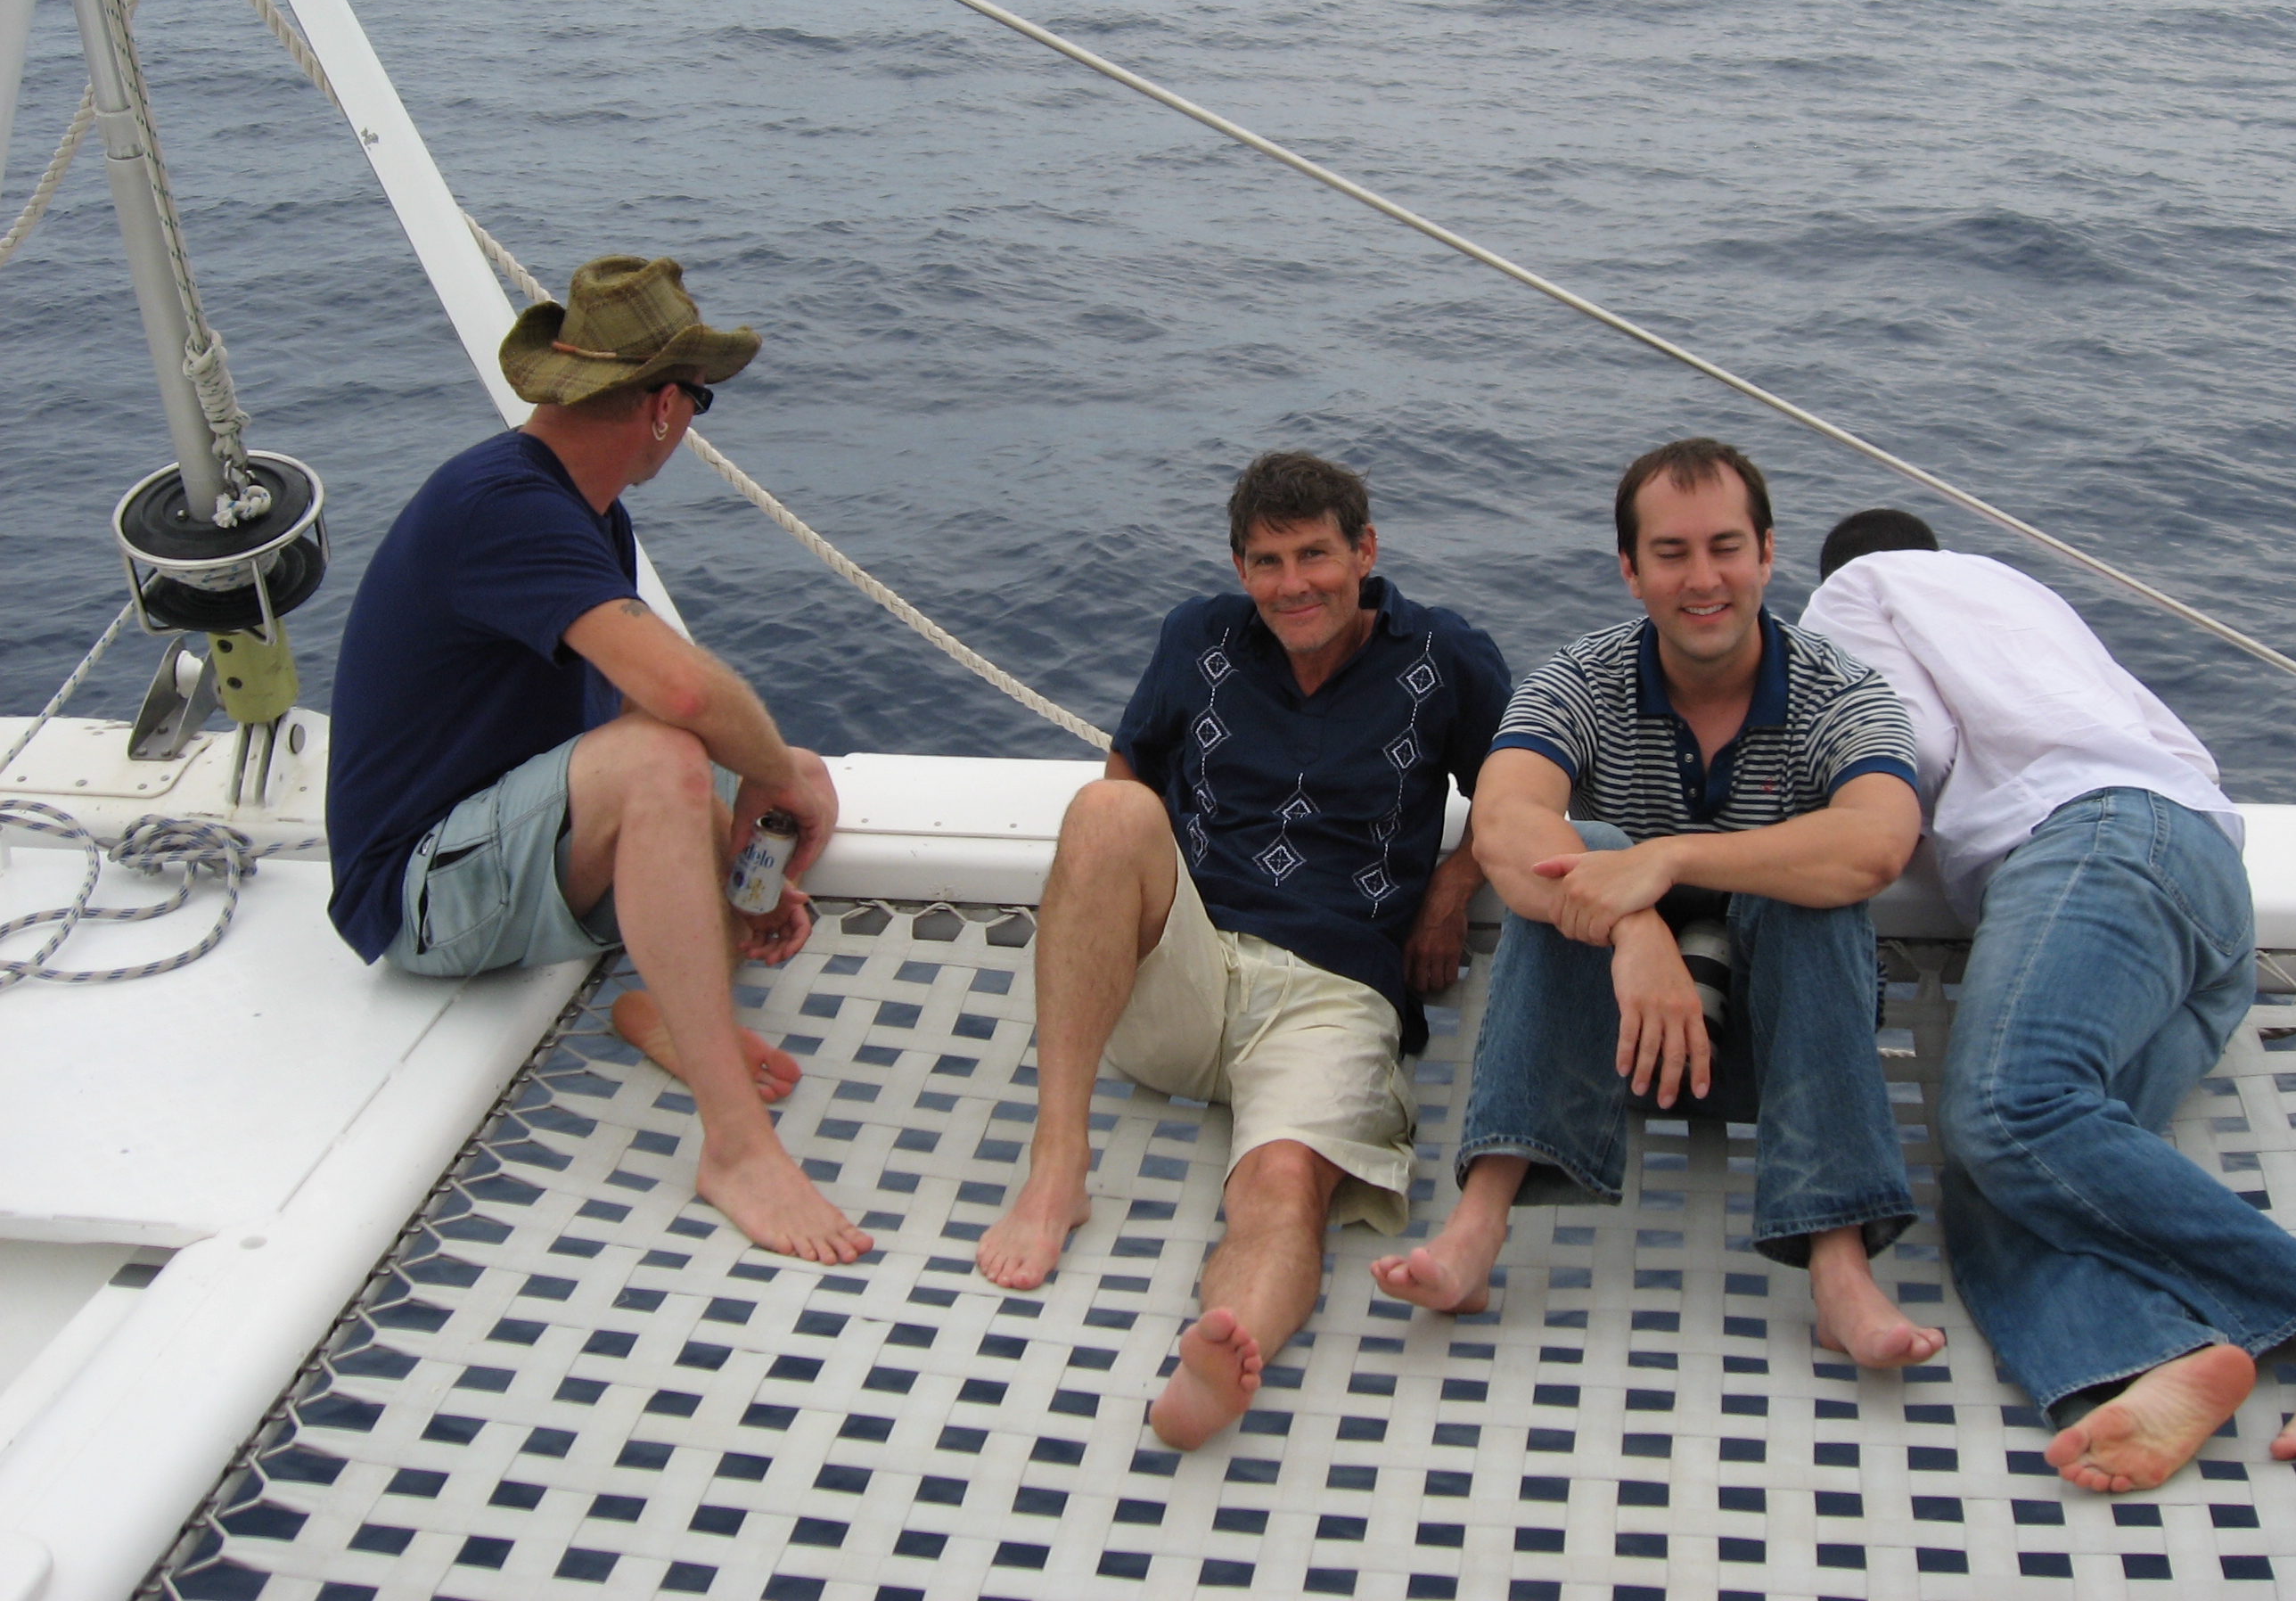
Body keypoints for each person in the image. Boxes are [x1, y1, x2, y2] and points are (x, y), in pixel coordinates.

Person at [1800, 508, 2296, 1490]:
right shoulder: (2026, 598)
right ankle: (2151, 1359)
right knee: (2004, 1175)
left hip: (2095, 846)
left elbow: (1901, 749)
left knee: (2008, 1108)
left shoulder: (1858, 589)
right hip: (2204, 886)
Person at [326, 255, 862, 1265]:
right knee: (684, 762)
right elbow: (682, 698)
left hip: (507, 842)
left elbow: (626, 700)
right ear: (662, 407)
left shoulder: (583, 511)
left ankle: (671, 997)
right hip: (418, 893)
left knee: (785, 771)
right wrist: (763, 780)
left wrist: (743, 843)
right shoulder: (501, 507)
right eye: (696, 400)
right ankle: (736, 1148)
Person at [976, 452, 1509, 1449]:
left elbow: (1519, 792)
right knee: (1105, 812)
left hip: (1331, 986)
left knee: (1281, 1191)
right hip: (1188, 968)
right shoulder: (1200, 636)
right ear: (1239, 567)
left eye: (1314, 555)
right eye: (1267, 561)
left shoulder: (1445, 656)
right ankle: (1057, 1164)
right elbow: (1132, 766)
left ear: (1364, 551)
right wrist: (1120, 903)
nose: (1292, 584)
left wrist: (1449, 891)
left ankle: (1226, 1351)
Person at [1376, 439, 1942, 1372]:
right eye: (1671, 554)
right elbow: (1504, 823)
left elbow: (1878, 841)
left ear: (1767, 553)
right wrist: (1632, 921)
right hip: (1617, 1047)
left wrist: (1667, 859)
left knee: (1814, 887)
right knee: (1581, 853)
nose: (1702, 578)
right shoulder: (1580, 679)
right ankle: (1477, 1227)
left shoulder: (1842, 693)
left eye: (1725, 547)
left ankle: (1839, 1264)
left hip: (1782, 1055)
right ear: (1631, 571)